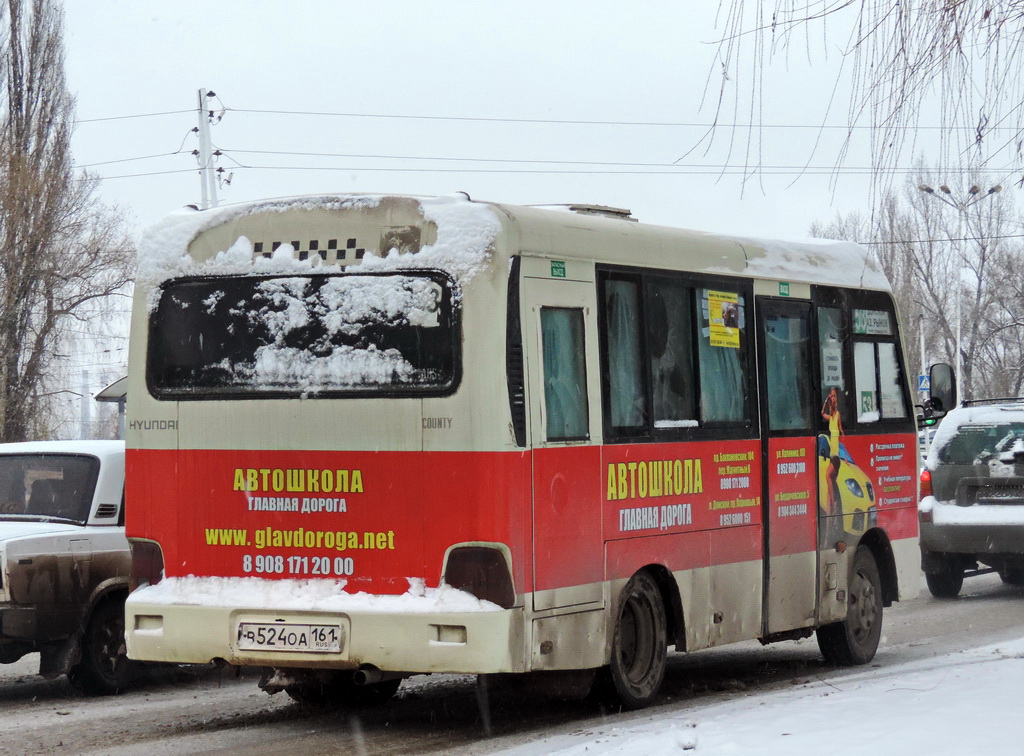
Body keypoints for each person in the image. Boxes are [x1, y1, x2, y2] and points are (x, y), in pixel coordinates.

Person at [821, 386, 844, 517]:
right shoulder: (831, 417)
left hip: (836, 456)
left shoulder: (838, 415)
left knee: (827, 475)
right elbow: (821, 413)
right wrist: (826, 400)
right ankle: (830, 522)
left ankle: (835, 504)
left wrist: (844, 455)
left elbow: (841, 432)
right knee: (828, 496)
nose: (833, 399)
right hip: (831, 455)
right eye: (832, 396)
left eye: (835, 396)